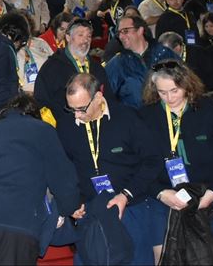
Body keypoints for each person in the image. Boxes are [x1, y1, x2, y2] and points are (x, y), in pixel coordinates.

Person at [0, 93, 80, 266]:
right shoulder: (43, 130)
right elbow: (63, 178)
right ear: (35, 114)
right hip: (17, 222)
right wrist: (71, 207)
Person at [59, 73, 162, 265]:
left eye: (81, 109)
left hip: (131, 207)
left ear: (98, 97)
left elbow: (153, 160)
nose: (77, 115)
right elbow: (65, 169)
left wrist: (126, 195)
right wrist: (74, 201)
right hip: (91, 211)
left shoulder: (127, 117)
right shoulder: (66, 125)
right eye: (71, 108)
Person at [140, 60, 213, 246]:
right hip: (163, 198)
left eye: (174, 90)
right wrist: (160, 193)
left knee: (202, 256)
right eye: (162, 92)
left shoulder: (208, 110)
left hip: (204, 195)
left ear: (186, 84)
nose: (169, 98)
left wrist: (212, 193)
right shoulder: (147, 116)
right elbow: (139, 162)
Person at [105, 15, 178, 109]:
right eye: (119, 33)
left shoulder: (165, 54)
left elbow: (183, 82)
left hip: (166, 116)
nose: (121, 36)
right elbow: (107, 97)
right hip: (134, 120)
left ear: (140, 30)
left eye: (125, 31)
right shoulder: (117, 64)